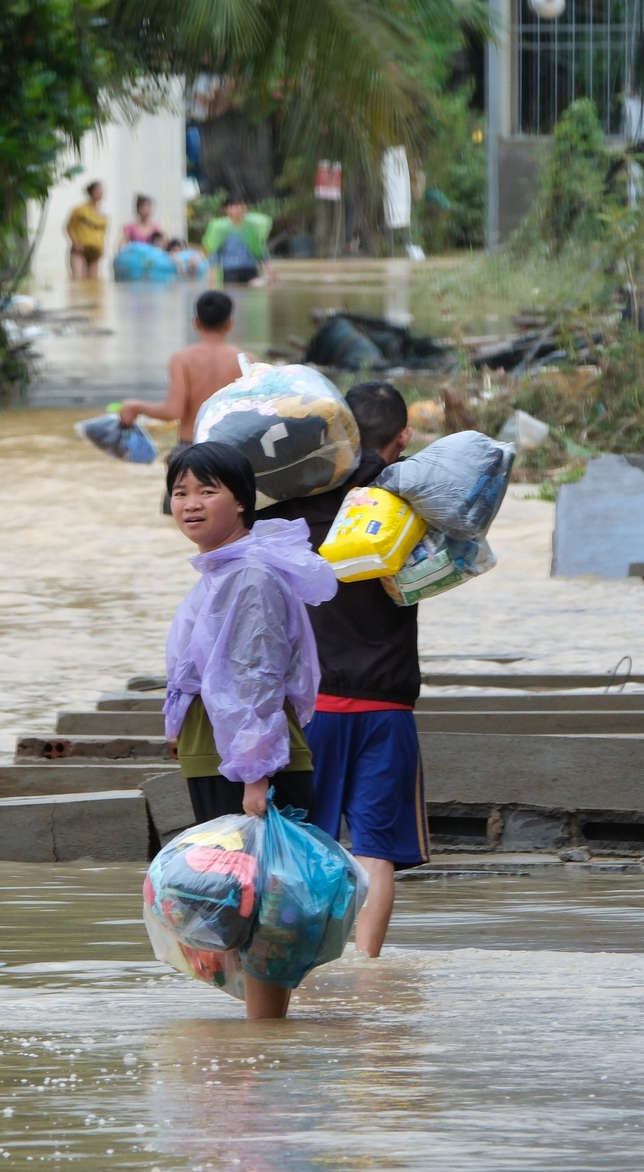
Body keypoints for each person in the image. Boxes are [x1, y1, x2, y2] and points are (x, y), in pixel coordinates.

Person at [162, 441, 338, 1019]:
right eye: (181, 491)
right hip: (221, 754)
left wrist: (257, 774)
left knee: (264, 912)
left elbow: (254, 676)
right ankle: (261, 1047)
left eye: (207, 490)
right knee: (234, 905)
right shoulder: (224, 569)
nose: (190, 503)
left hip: (247, 760)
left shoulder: (252, 575)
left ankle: (266, 1047)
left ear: (241, 502)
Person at [254, 381, 423, 957]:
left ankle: (304, 964)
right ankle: (368, 973)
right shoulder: (411, 506)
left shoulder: (293, 506)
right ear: (403, 437)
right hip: (387, 705)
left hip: (311, 707)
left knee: (306, 844)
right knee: (376, 847)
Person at [118, 290, 245, 447]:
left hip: (192, 447)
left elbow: (173, 412)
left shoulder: (182, 359)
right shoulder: (246, 360)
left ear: (196, 322)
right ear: (230, 324)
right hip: (231, 448)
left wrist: (136, 406)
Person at [200, 198, 274, 286]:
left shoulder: (251, 227)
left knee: (254, 295)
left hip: (250, 268)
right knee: (234, 294)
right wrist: (211, 274)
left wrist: (270, 269)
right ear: (227, 209)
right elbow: (215, 251)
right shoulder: (220, 228)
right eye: (235, 206)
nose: (239, 209)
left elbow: (259, 249)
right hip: (230, 269)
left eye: (242, 206)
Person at [66, 182, 109, 280]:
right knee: (77, 279)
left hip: (95, 250)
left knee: (93, 282)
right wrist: (75, 242)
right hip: (80, 250)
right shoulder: (79, 209)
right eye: (98, 190)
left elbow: (103, 232)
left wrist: (103, 246)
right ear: (91, 192)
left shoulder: (104, 212)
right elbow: (69, 227)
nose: (100, 193)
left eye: (102, 191)